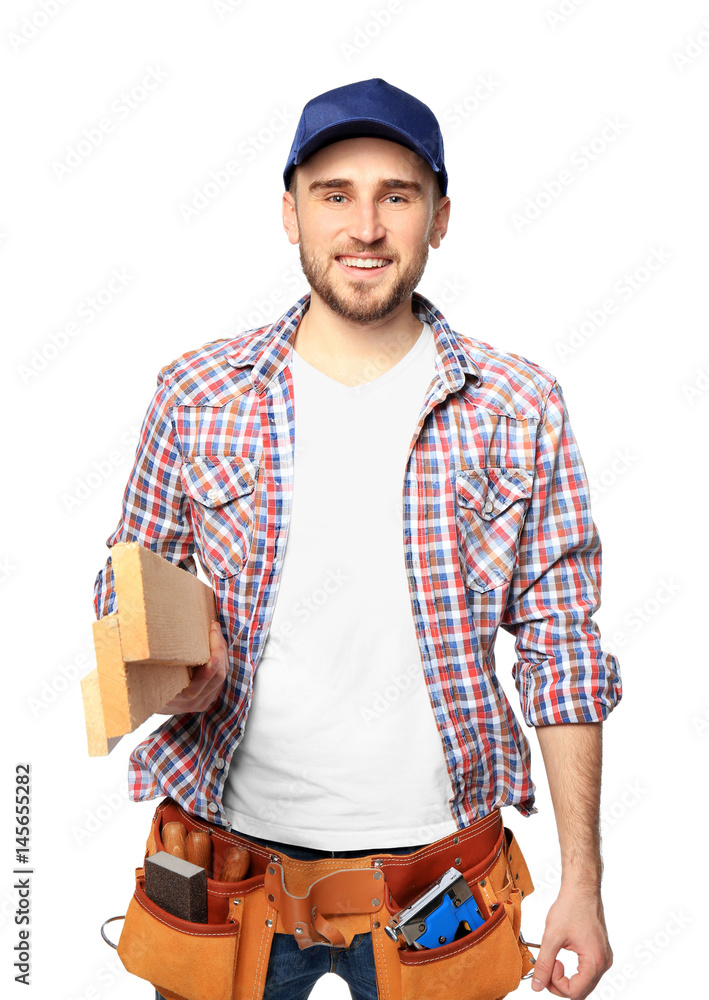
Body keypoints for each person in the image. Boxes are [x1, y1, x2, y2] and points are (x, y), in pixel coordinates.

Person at [94, 78, 622, 1000]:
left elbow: (563, 649)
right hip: (227, 877)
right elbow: (122, 593)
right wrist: (182, 667)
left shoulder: (517, 406)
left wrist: (583, 879)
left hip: (441, 883)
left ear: (440, 217)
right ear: (290, 215)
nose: (365, 226)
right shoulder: (196, 393)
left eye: (397, 195)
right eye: (335, 194)